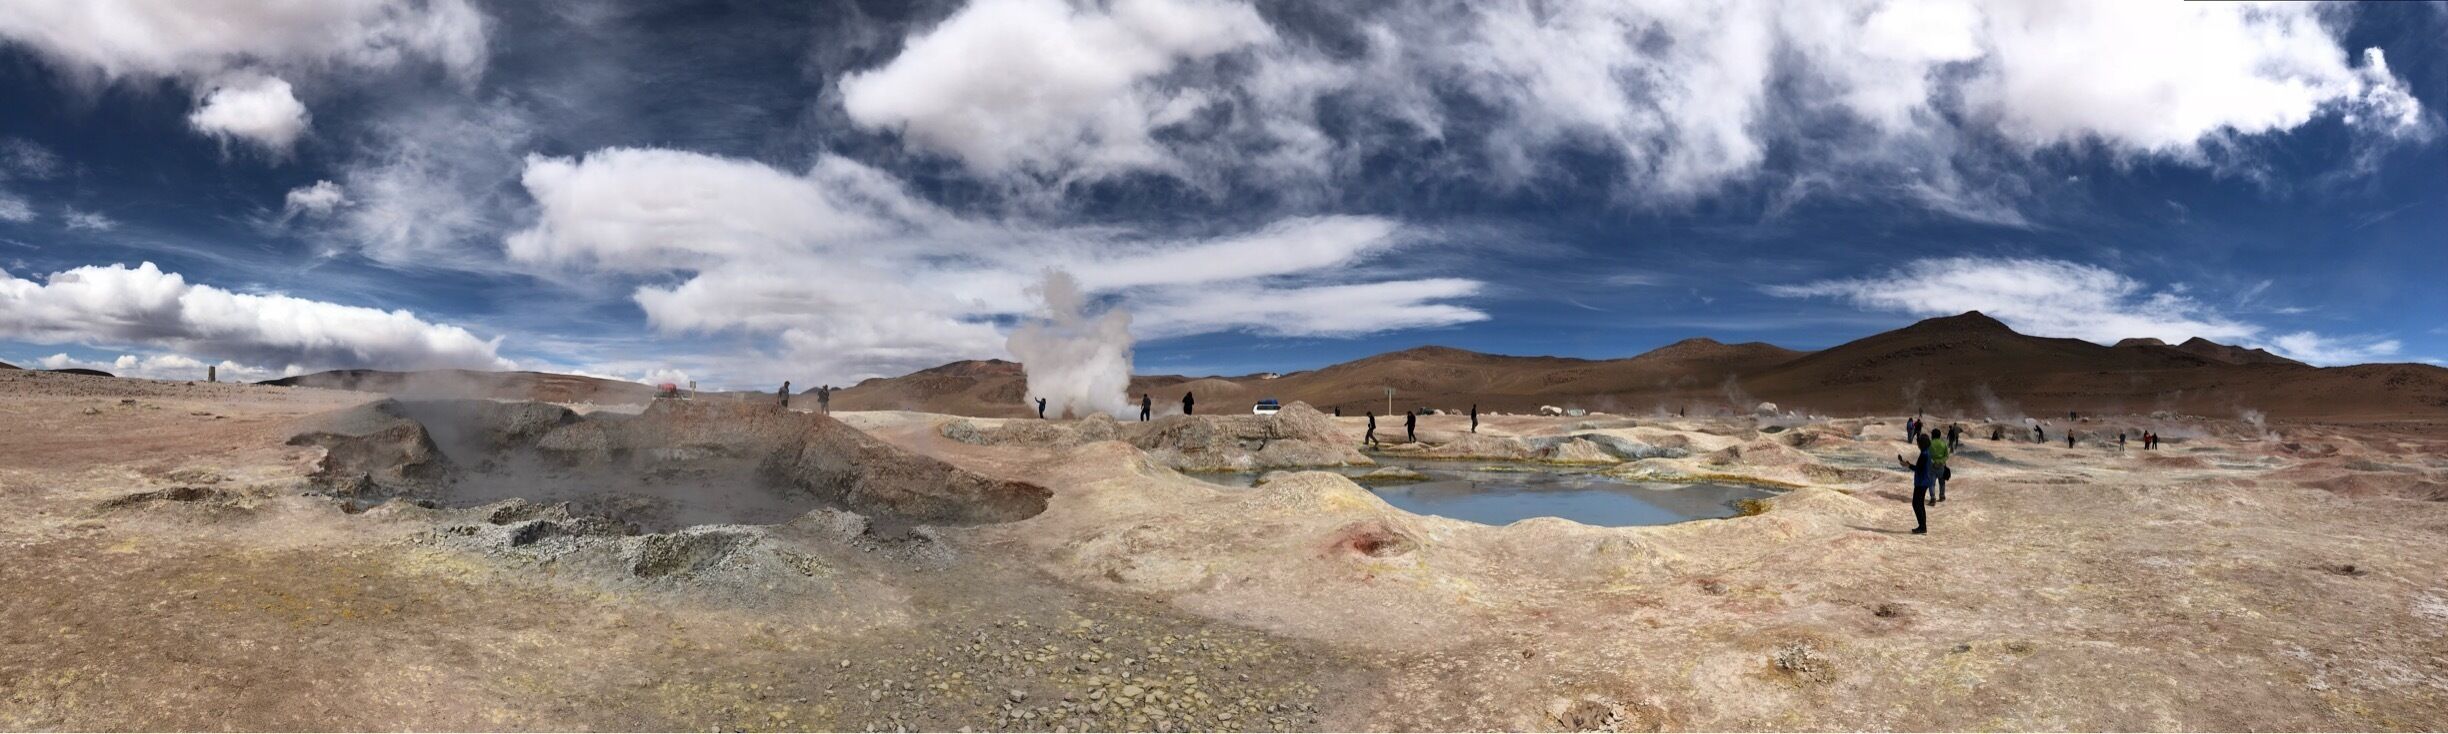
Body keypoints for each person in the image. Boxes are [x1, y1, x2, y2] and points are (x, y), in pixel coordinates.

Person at [1896, 433, 1934, 534]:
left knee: (1916, 504)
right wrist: (1908, 465)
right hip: (1925, 481)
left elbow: (1918, 469)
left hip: (1921, 482)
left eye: (1918, 442)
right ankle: (1923, 526)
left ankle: (1922, 527)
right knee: (1920, 504)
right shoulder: (1927, 452)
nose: (1917, 444)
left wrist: (1908, 465)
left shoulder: (1924, 454)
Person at [1929, 428, 1951, 503]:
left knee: (1932, 483)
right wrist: (1940, 461)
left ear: (1932, 435)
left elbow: (1927, 455)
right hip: (1941, 466)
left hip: (1932, 466)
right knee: (1942, 482)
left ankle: (1933, 498)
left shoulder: (1929, 443)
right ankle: (1942, 496)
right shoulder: (1943, 444)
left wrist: (1934, 462)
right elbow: (1947, 456)